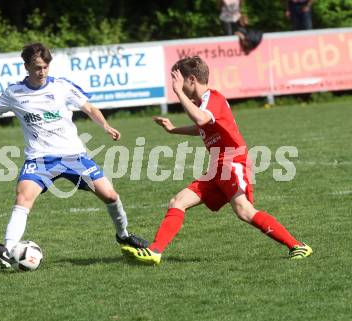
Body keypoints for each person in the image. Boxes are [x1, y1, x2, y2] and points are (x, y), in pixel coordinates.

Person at [0, 42, 148, 269]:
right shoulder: (14, 93)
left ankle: (123, 236)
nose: (41, 72)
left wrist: (105, 126)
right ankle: (8, 249)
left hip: (74, 156)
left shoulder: (62, 87)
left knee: (111, 196)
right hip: (39, 159)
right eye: (36, 67)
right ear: (26, 66)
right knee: (23, 198)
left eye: (44, 67)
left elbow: (89, 108)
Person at [121, 56, 313, 264]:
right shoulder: (203, 103)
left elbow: (202, 119)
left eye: (178, 80)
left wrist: (177, 93)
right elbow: (203, 126)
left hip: (232, 162)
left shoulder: (213, 98)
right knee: (178, 202)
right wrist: (173, 129)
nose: (176, 85)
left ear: (192, 79)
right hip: (217, 166)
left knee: (244, 210)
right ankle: (155, 251)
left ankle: (297, 246)